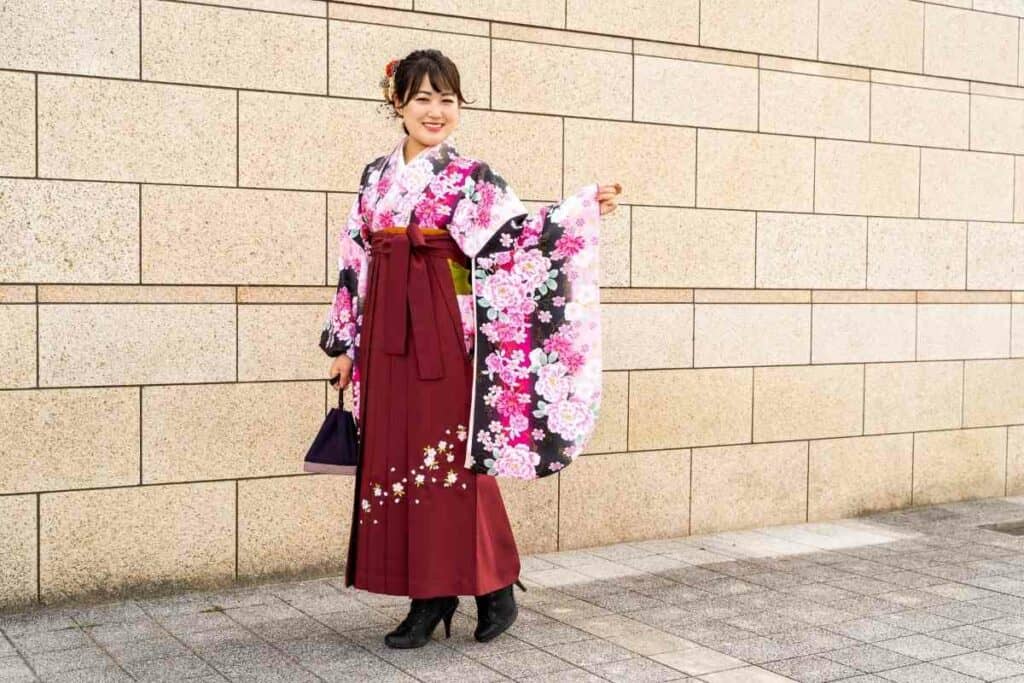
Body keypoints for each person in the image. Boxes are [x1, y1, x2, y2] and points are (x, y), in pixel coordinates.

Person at [319, 48, 622, 649]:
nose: (436, 111)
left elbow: (516, 242)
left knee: (452, 466)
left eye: (447, 100)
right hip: (384, 333)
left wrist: (581, 210)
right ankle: (465, 590)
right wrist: (344, 343)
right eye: (423, 98)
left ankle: (454, 592)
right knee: (396, 461)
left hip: (444, 335)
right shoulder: (373, 178)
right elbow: (356, 259)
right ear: (397, 103)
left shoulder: (470, 178)